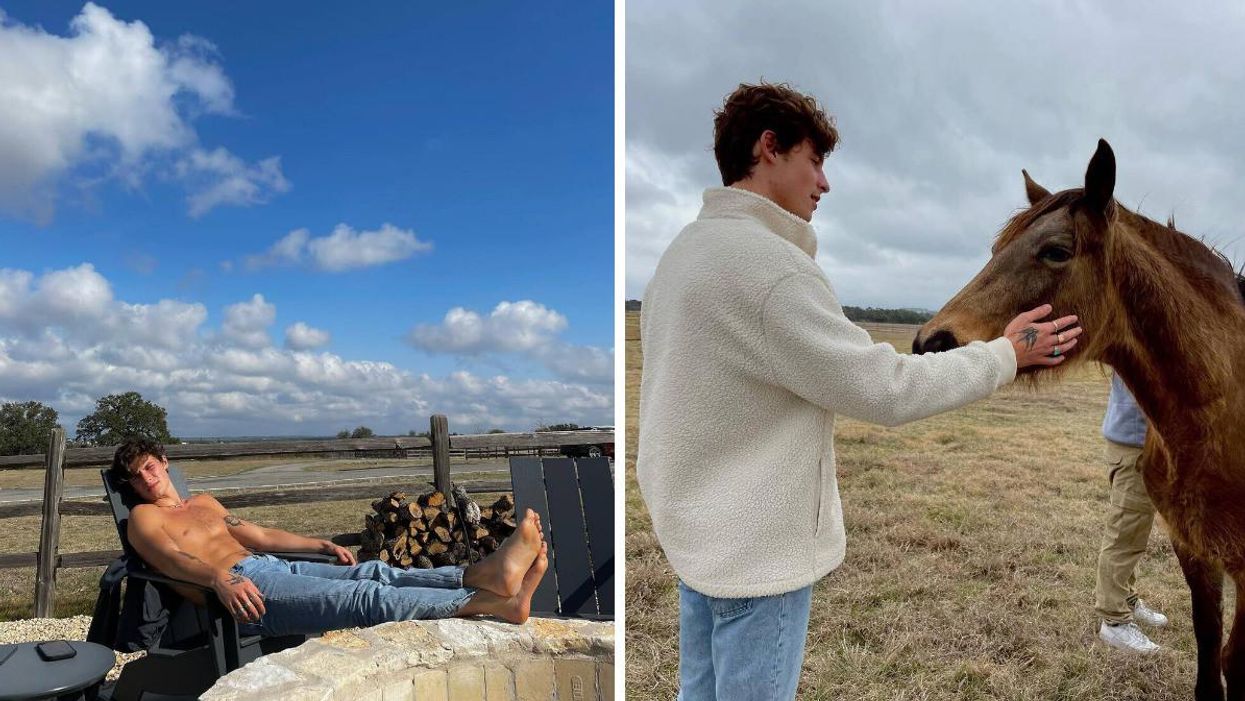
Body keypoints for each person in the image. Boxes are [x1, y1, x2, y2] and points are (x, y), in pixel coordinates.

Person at [635, 81, 1083, 701]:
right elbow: (885, 388)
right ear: (769, 148)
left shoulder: (681, 255)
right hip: (757, 560)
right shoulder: (772, 271)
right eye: (814, 160)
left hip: (696, 543)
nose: (824, 183)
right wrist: (1006, 354)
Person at [112, 437, 547, 637]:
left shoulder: (205, 502)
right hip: (241, 593)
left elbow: (257, 534)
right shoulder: (144, 518)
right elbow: (170, 560)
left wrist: (319, 545)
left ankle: (484, 576)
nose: (146, 479)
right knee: (365, 598)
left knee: (375, 572)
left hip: (271, 569)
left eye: (150, 467)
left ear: (164, 461)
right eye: (135, 477)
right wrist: (217, 579)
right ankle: (488, 601)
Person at [1095, 373, 1168, 652]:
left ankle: (1126, 599)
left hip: (1143, 442)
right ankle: (1114, 622)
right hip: (1135, 444)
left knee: (1134, 531)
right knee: (1125, 535)